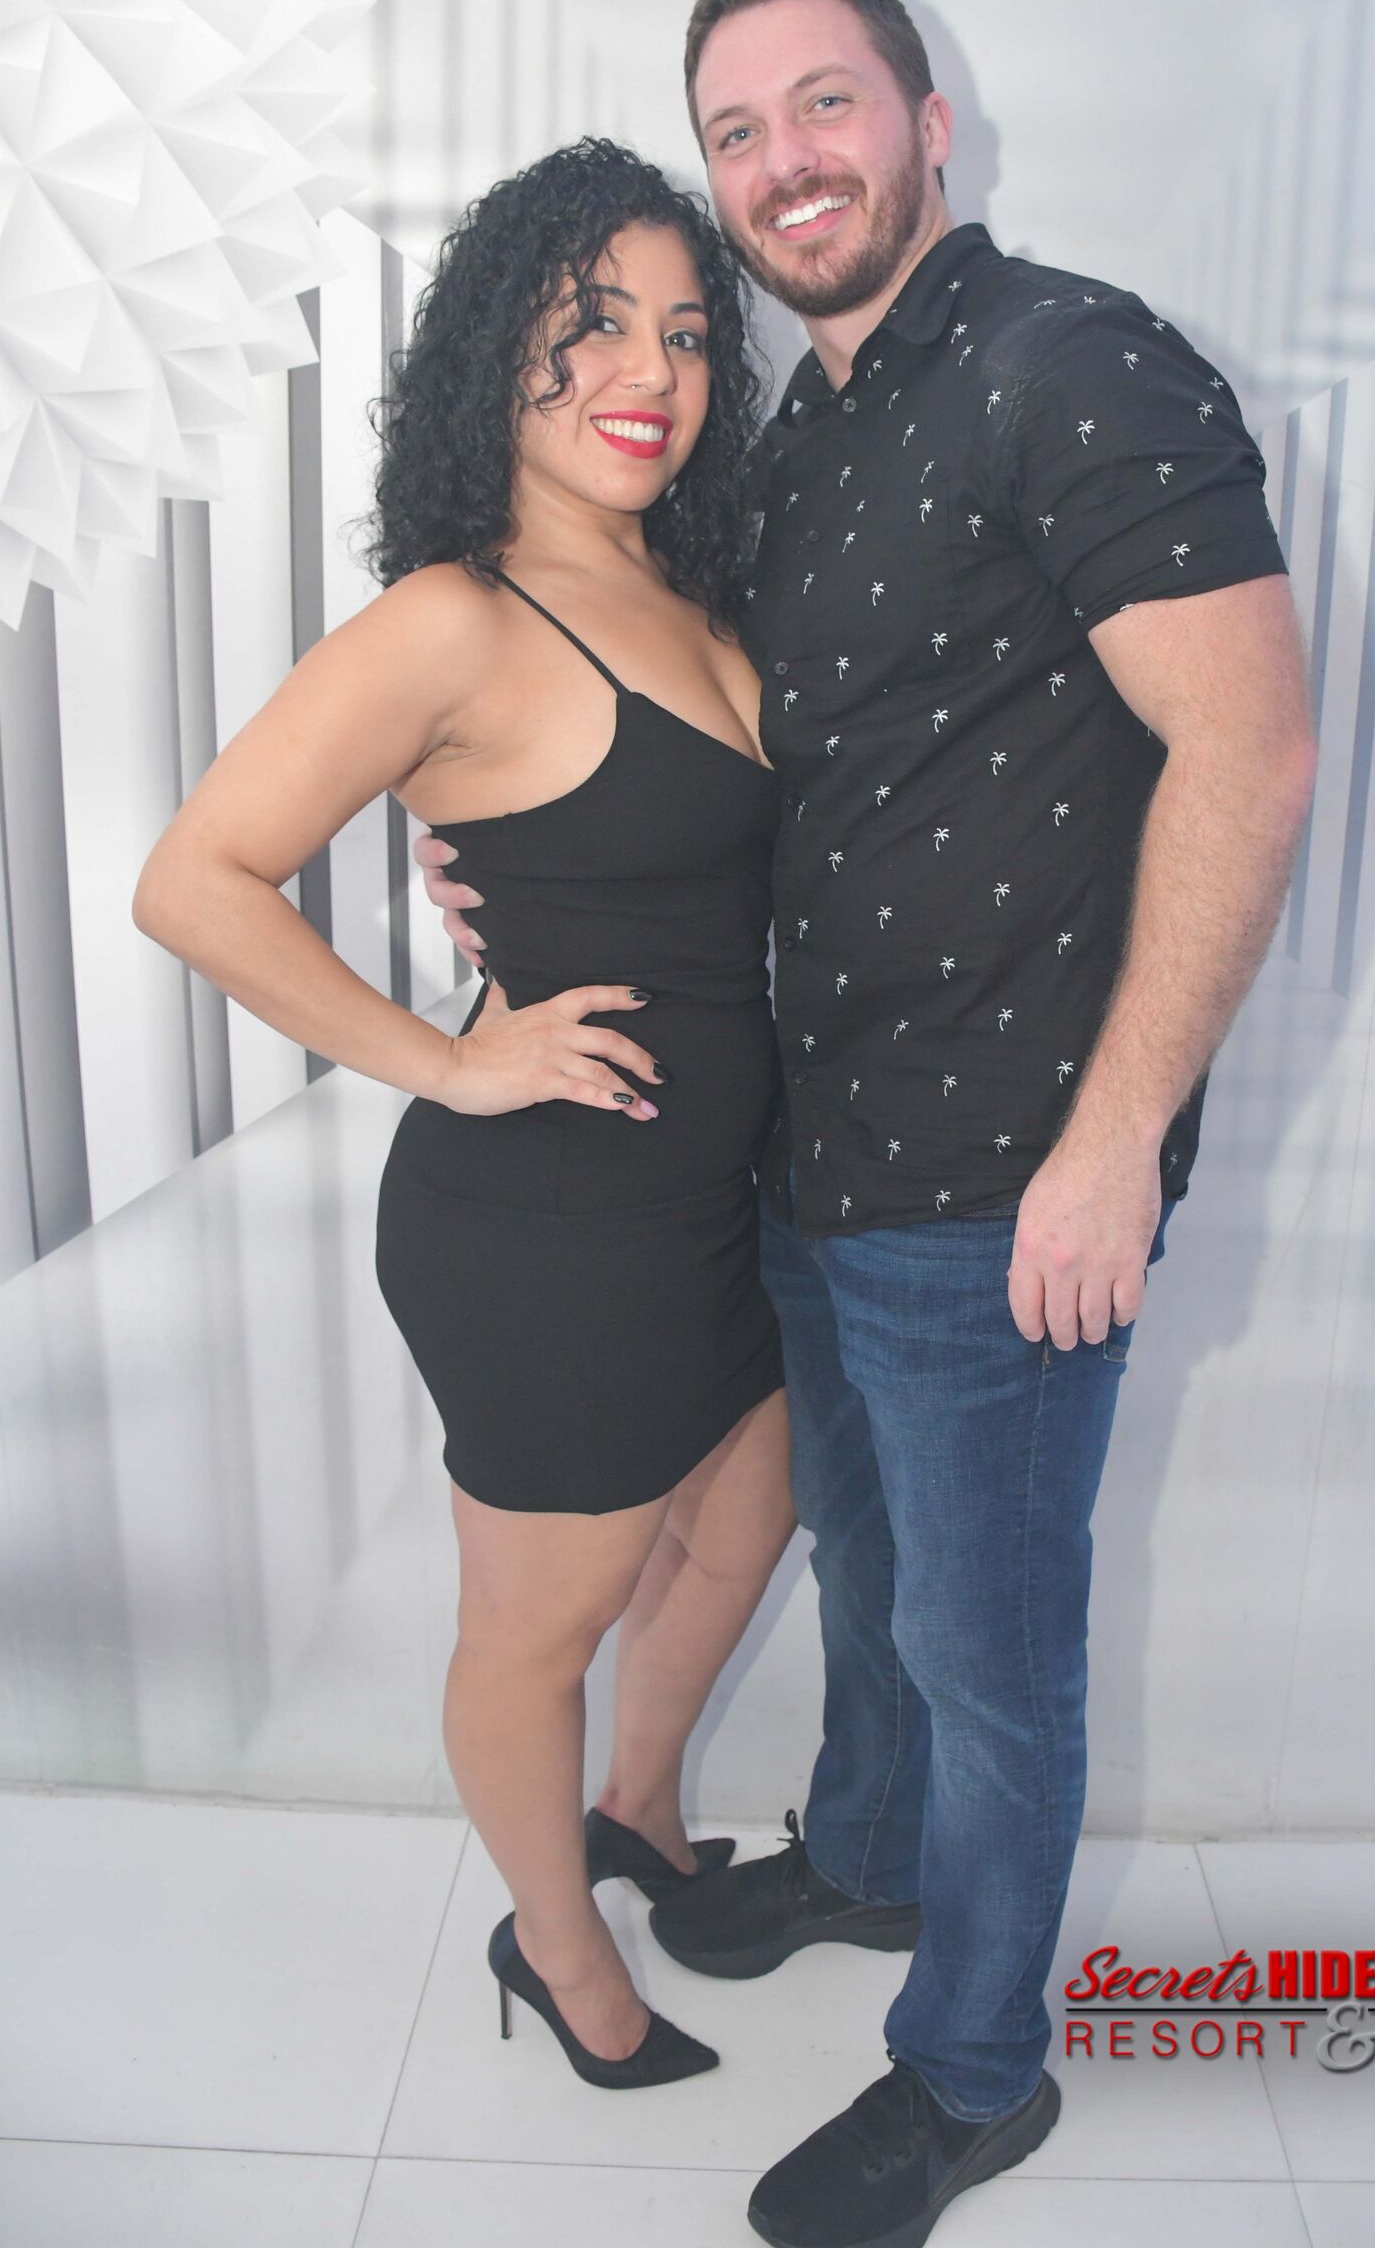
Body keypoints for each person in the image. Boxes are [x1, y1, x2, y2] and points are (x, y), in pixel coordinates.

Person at [422, 0, 1319, 2248]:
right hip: (807, 1169)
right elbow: (690, 743)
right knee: (876, 1578)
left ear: (926, 123)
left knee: (989, 1663)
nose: (781, 162)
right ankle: (864, 1856)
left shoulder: (1077, 364)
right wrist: (495, 855)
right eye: (736, 131)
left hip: (1008, 1179)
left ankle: (973, 2073)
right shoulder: (789, 441)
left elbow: (1246, 751)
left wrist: (1113, 1136)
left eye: (823, 104)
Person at [133, 140, 799, 2094]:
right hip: (550, 1228)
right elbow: (193, 880)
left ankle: (639, 1812)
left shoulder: (690, 587)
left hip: (723, 1198)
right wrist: (448, 1058)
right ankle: (559, 1950)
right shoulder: (456, 617)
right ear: (500, 348)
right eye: (594, 323)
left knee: (745, 1523)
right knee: (537, 1628)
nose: (649, 370)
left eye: (686, 332)